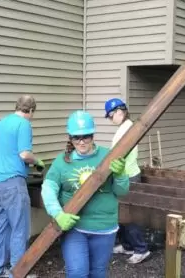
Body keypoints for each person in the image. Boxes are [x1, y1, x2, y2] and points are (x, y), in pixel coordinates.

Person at [41, 110, 130, 278]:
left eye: (86, 137)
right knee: (77, 273)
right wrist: (57, 213)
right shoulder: (62, 162)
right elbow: (48, 188)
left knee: (98, 273)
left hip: (104, 227)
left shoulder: (108, 156)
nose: (81, 142)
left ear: (93, 135)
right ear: (70, 138)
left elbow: (122, 192)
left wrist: (120, 174)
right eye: (76, 138)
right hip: (75, 228)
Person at [0, 95, 45, 278]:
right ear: (31, 110)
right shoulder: (24, 124)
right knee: (19, 229)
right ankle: (18, 273)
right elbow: (24, 154)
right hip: (13, 183)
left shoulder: (2, 122)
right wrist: (37, 160)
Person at [104, 98, 151, 264]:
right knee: (122, 213)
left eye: (110, 115)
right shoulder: (125, 127)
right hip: (124, 175)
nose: (110, 119)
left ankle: (141, 249)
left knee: (130, 215)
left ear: (119, 111)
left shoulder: (127, 129)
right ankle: (127, 245)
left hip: (129, 176)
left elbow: (117, 155)